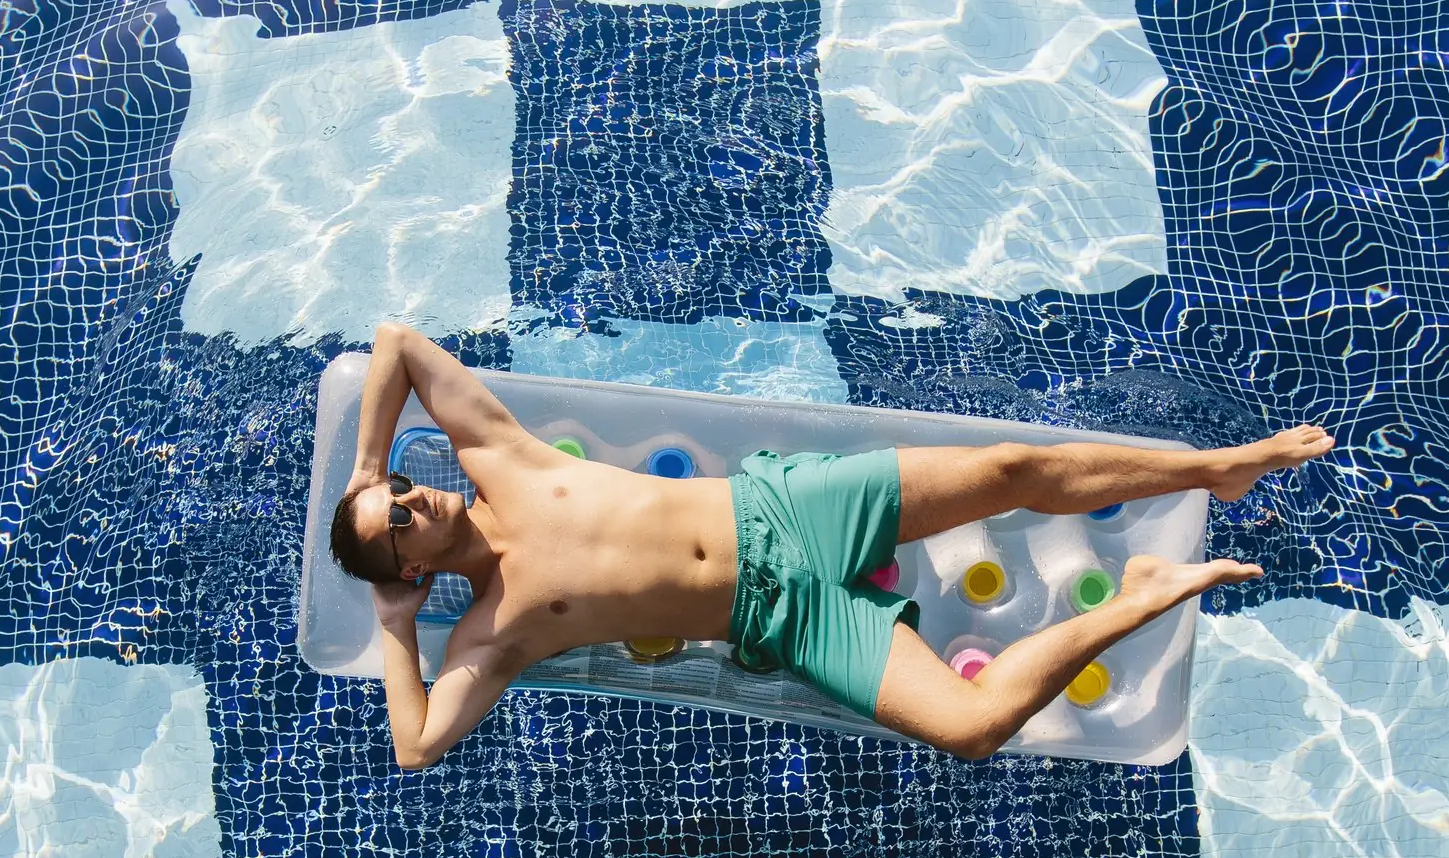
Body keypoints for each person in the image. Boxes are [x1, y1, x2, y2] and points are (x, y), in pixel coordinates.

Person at [329, 323, 1332, 769]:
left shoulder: (501, 457)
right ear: (414, 570)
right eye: (400, 522)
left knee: (1009, 468)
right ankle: (1142, 591)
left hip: (792, 512)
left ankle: (1218, 466)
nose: (416, 498)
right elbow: (416, 745)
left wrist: (365, 473)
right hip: (788, 618)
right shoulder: (492, 634)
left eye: (404, 492)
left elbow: (398, 343)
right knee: (971, 728)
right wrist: (390, 624)